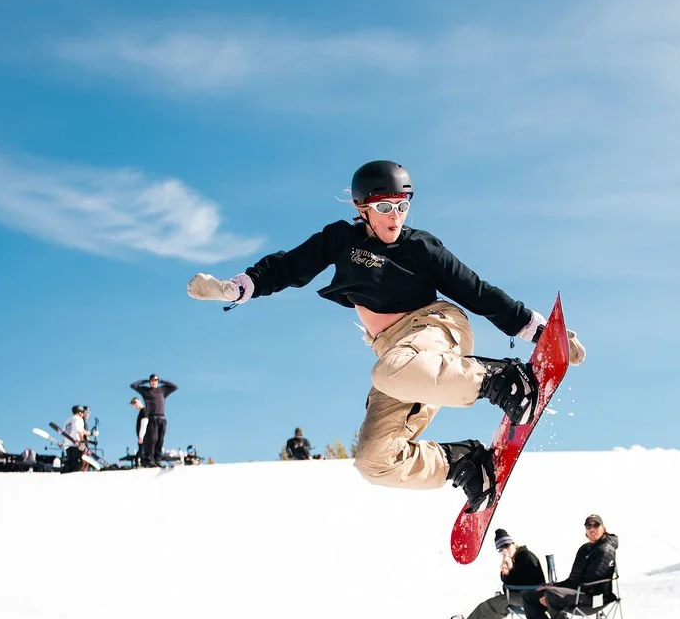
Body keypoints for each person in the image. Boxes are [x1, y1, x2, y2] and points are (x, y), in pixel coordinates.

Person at [186, 160, 585, 506]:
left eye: (402, 205)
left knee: (390, 369)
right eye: (384, 207)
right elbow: (288, 267)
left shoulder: (421, 248)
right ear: (363, 208)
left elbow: (477, 291)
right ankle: (464, 463)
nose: (395, 216)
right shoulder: (341, 240)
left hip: (435, 328)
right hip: (400, 357)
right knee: (373, 460)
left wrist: (543, 334)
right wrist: (236, 287)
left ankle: (505, 382)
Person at [520, 514, 618, 619]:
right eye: (588, 526)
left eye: (596, 525)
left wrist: (554, 594)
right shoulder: (585, 549)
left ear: (604, 528)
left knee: (552, 595)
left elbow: (592, 583)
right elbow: (573, 580)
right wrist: (552, 587)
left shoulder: (605, 549)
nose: (592, 529)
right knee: (529, 596)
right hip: (578, 593)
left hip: (596, 598)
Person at [457, 528, 546, 619]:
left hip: (532, 596)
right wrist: (507, 572)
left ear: (513, 544)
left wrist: (509, 574)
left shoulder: (526, 556)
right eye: (501, 548)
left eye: (507, 545)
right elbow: (514, 580)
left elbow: (531, 580)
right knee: (486, 604)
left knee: (491, 605)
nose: (505, 550)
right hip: (522, 594)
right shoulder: (515, 558)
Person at [130, 374, 178, 467]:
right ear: (150, 381)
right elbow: (133, 386)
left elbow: (175, 387)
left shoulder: (162, 390)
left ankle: (157, 460)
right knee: (152, 440)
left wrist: (162, 381)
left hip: (162, 418)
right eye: (152, 380)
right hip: (152, 418)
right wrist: (144, 381)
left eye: (156, 380)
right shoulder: (146, 391)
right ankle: (150, 460)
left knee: (160, 440)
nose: (154, 382)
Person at [61, 405, 88, 473]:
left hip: (68, 446)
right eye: (82, 412)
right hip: (76, 445)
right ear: (79, 412)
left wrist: (90, 433)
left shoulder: (68, 421)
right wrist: (82, 442)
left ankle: (64, 472)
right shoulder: (78, 419)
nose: (82, 414)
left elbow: (65, 432)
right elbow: (80, 431)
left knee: (70, 462)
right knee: (79, 462)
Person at [130, 396, 147, 466]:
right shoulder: (141, 412)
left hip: (144, 437)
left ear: (139, 401)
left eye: (135, 402)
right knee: (140, 454)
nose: (135, 405)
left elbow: (144, 422)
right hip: (142, 437)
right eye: (133, 404)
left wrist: (141, 436)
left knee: (142, 454)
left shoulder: (144, 411)